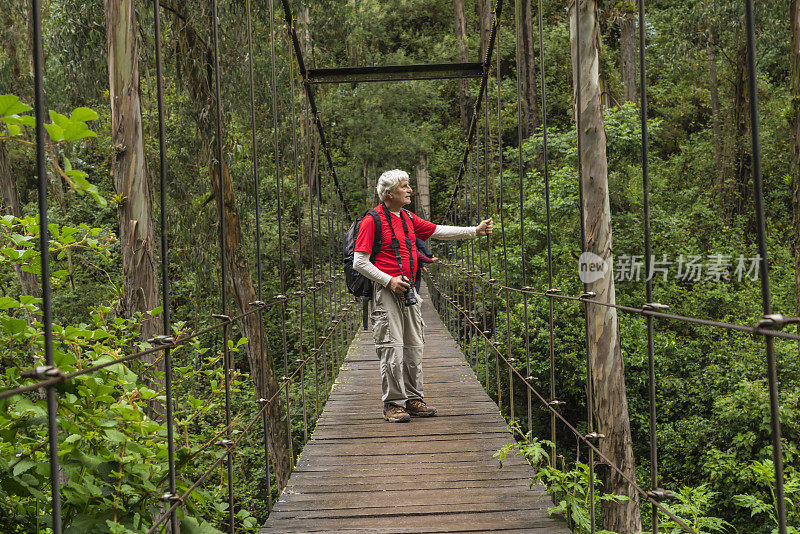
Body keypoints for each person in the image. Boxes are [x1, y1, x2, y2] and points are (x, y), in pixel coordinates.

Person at [353, 169, 493, 423]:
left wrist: (475, 231)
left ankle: (413, 399)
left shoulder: (407, 218)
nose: (409, 190)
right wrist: (389, 280)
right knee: (391, 349)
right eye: (404, 187)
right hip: (386, 291)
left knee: (414, 347)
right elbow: (359, 262)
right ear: (389, 194)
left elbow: (438, 230)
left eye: (409, 186)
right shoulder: (371, 221)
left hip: (409, 291)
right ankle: (393, 403)